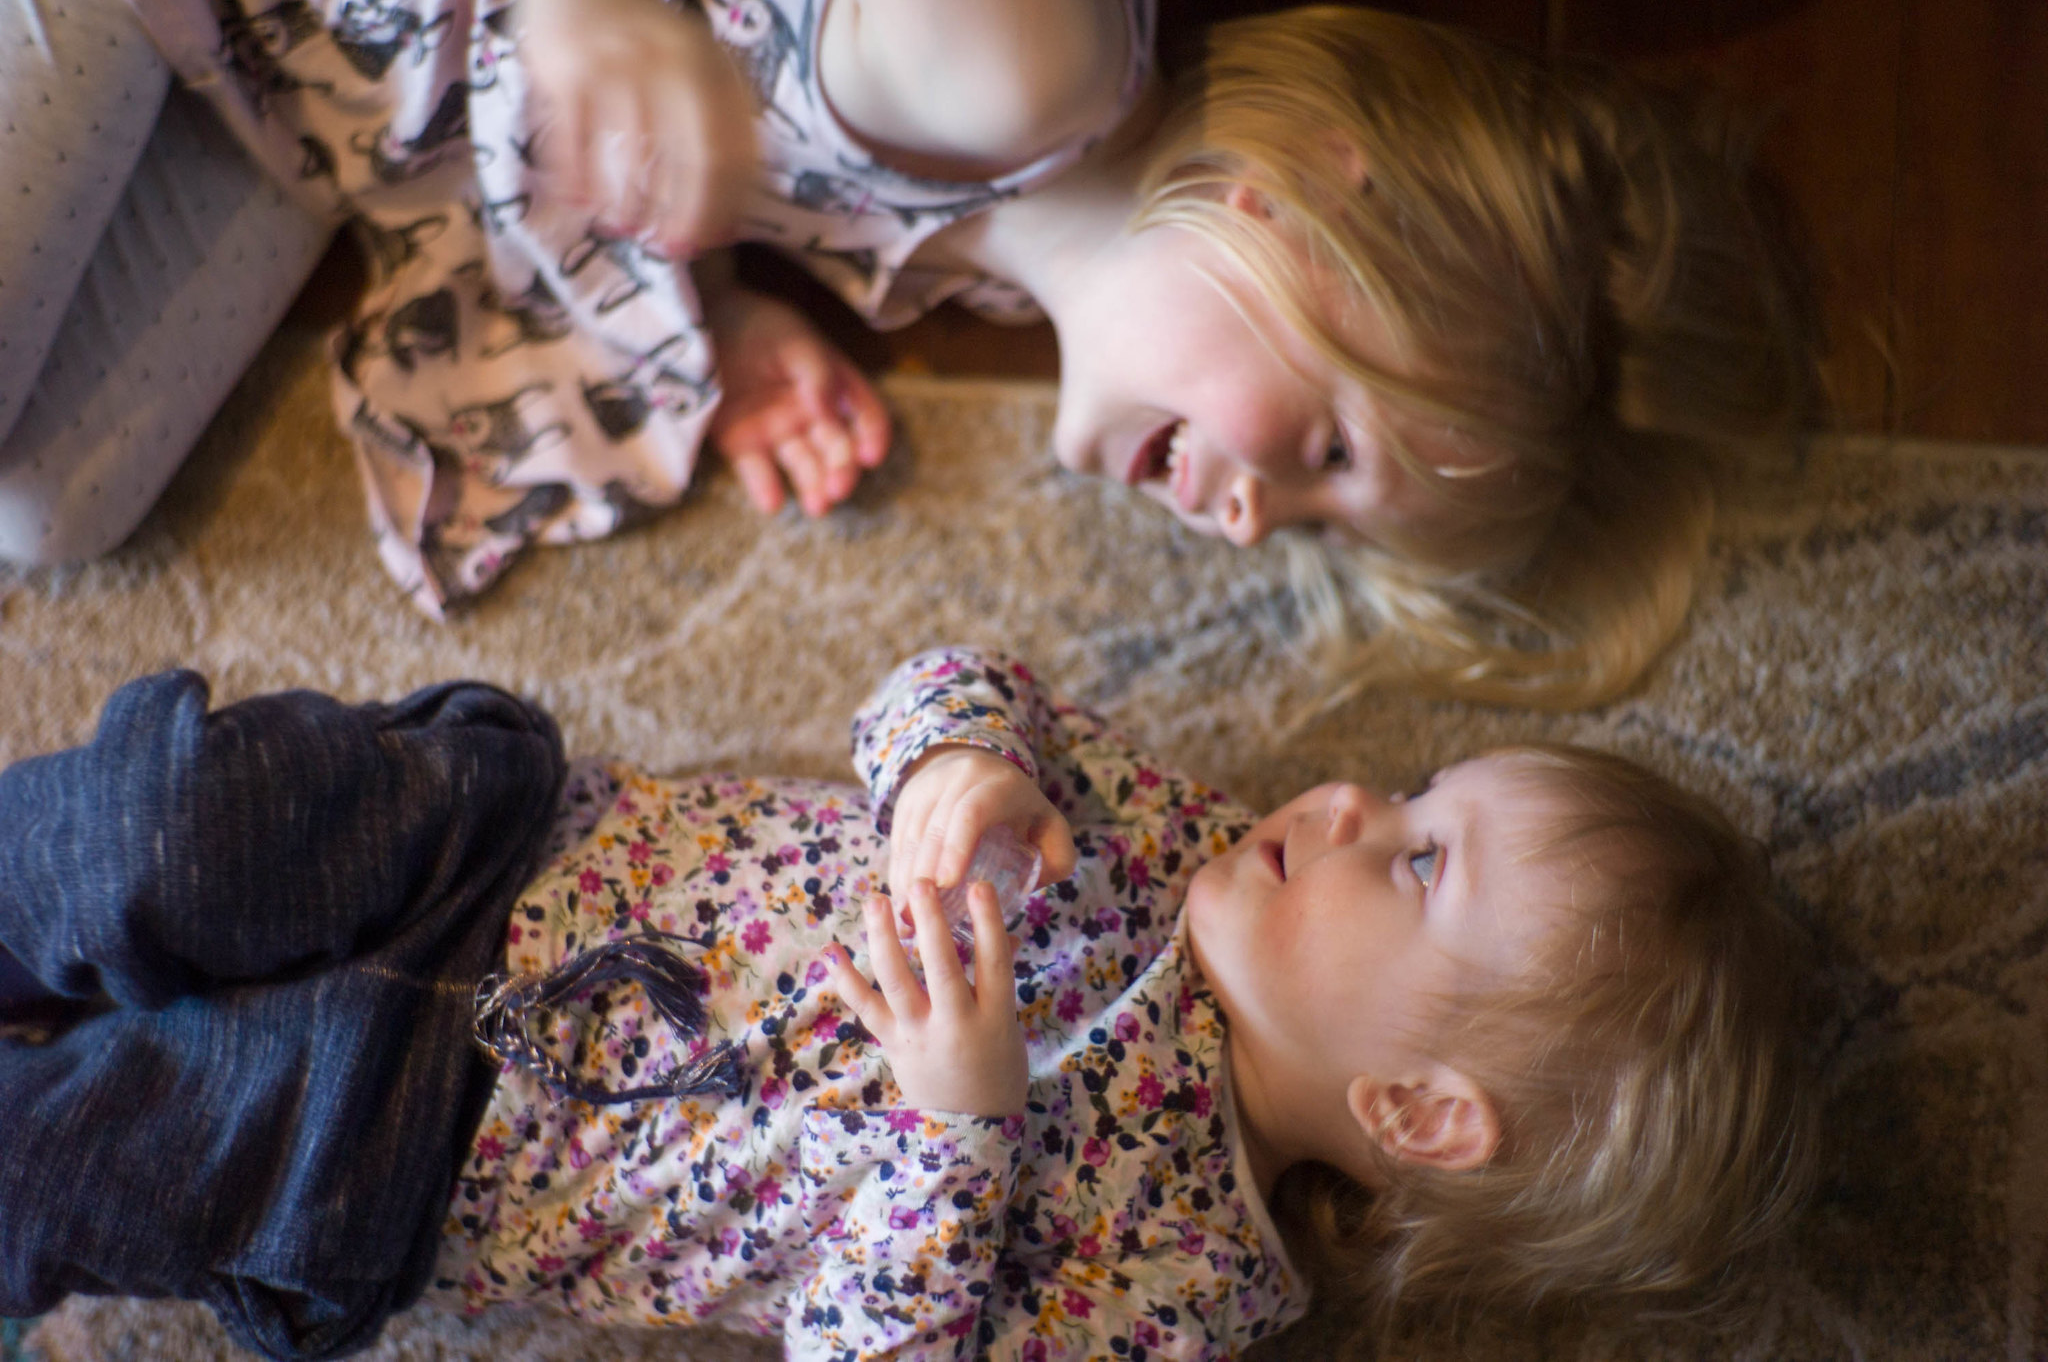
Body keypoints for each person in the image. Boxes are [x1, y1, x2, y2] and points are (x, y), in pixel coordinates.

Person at [0, 646, 1815, 1359]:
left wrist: (959, 1128)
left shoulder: (1179, 1292)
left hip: (428, 1144)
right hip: (498, 849)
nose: (1347, 803)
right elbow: (943, 678)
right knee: (163, 825)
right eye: (1412, 787)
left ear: (1419, 1110)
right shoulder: (1167, 839)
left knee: (88, 1154)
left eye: (1416, 861)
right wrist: (963, 759)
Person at [10, 1, 1815, 701]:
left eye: (1327, 526)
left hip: (283, 88)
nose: (1259, 520)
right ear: (1320, 198)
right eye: (1332, 452)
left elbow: (742, 105)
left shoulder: (996, 262)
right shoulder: (1022, 59)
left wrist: (722, 305)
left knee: (51, 513)